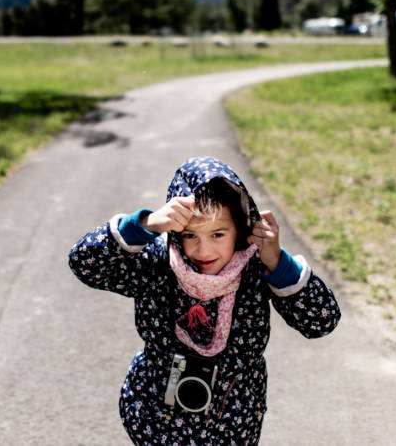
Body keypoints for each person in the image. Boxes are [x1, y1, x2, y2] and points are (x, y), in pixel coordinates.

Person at [68, 156, 340, 445]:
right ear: (175, 232)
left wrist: (276, 261)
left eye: (218, 234)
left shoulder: (255, 267)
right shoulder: (160, 261)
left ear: (242, 229)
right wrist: (144, 225)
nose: (204, 249)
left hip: (233, 418)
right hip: (158, 413)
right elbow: (85, 264)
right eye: (190, 235)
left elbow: (321, 321)